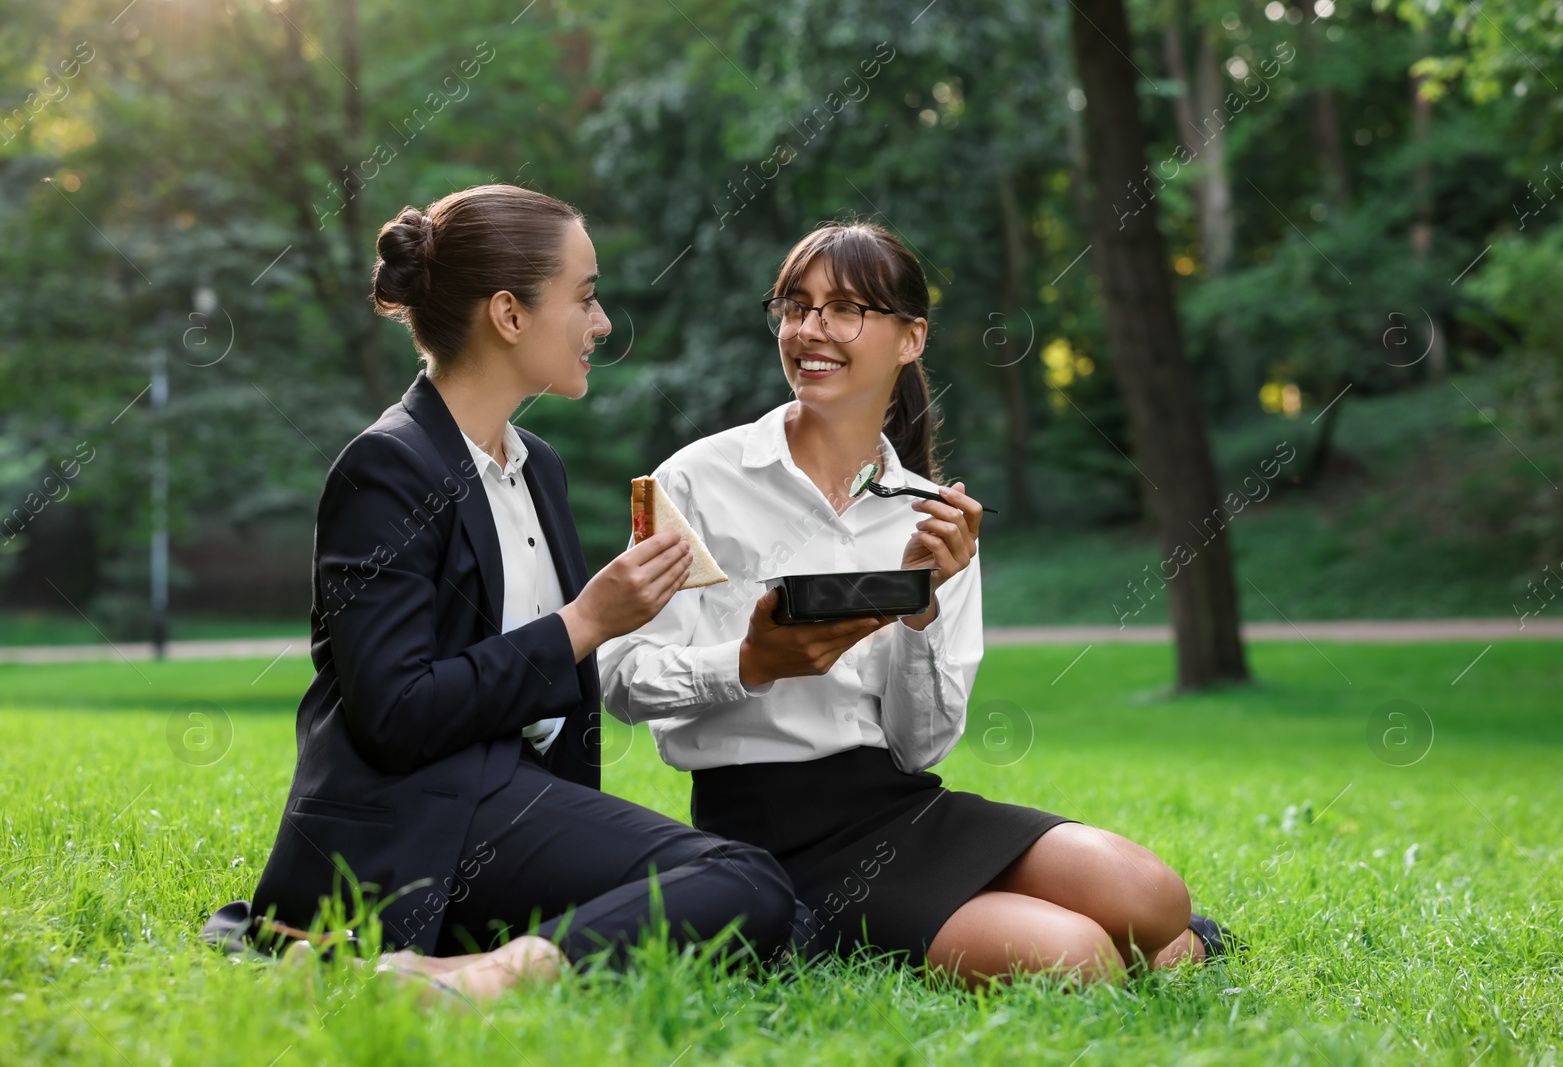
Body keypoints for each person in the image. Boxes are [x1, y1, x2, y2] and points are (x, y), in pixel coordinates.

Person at [597, 221, 1236, 989]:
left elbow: (920, 745)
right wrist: (747, 662)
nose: (810, 329)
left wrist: (923, 611)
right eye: (795, 306)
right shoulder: (695, 480)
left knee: (1154, 896)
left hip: (903, 804)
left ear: (911, 338)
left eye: (845, 309)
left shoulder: (932, 516)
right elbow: (618, 675)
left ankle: (1106, 930)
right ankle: (1020, 932)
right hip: (769, 836)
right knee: (1080, 960)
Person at [234, 184, 796, 999]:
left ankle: (458, 968)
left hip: (512, 802)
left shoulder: (540, 468)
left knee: (785, 915)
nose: (601, 323)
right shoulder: (387, 468)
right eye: (586, 297)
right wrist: (586, 622)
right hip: (418, 817)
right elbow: (393, 714)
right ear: (509, 313)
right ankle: (487, 982)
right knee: (742, 881)